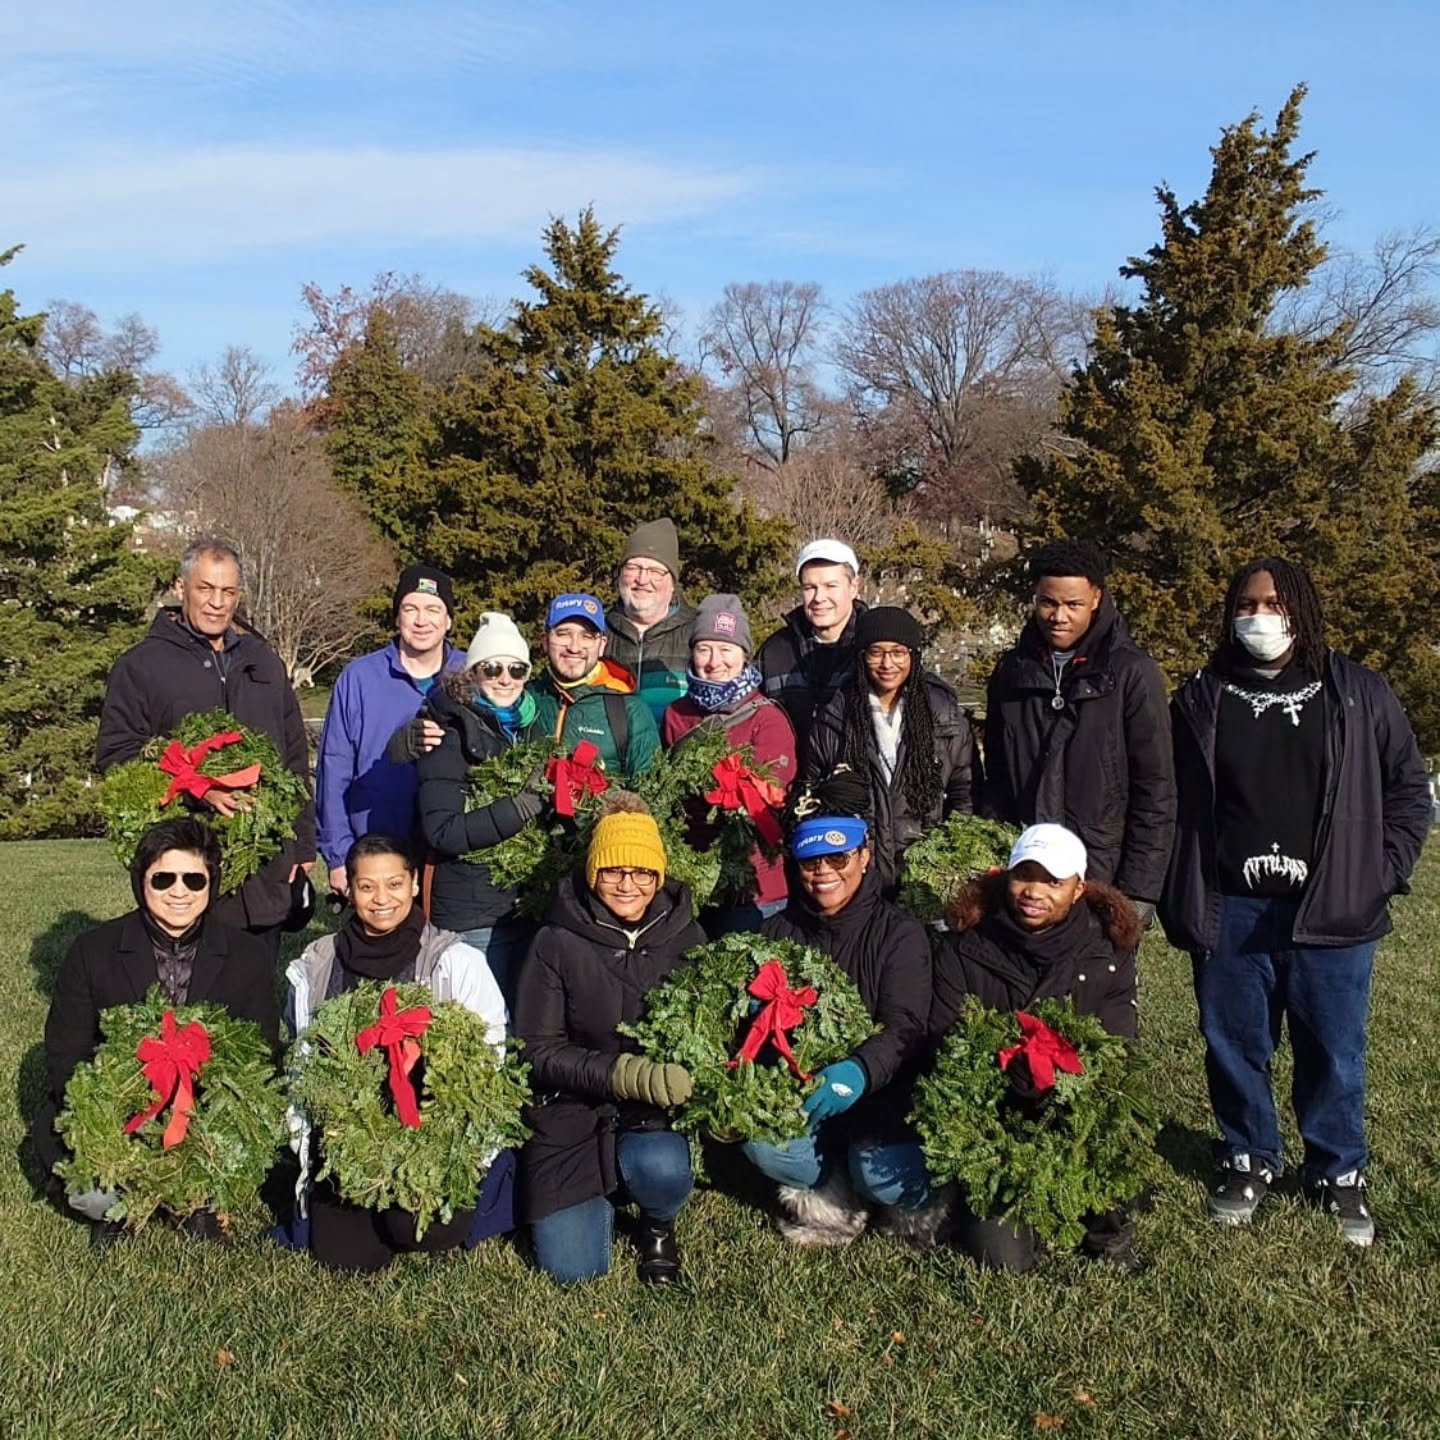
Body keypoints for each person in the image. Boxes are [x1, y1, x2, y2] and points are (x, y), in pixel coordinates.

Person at [1161, 558, 1431, 1246]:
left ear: (1302, 609)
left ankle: (1338, 1170)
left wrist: (1382, 870)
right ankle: (1248, 1155)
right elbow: (1171, 800)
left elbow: (1407, 788)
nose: (1260, 616)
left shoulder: (1357, 692)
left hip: (1331, 908)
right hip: (1232, 907)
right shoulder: (1201, 695)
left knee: (1333, 1049)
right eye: (1247, 603)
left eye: (1275, 602)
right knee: (1233, 1043)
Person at [31, 817, 281, 1246]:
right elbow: (66, 1055)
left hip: (204, 1115)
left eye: (193, 880)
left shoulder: (247, 956)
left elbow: (262, 1055)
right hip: (117, 1113)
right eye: (163, 878)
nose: (179, 892)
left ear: (212, 883)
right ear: (141, 881)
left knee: (240, 1154)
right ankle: (121, 1209)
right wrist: (120, 1110)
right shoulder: (93, 951)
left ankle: (193, 1201)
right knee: (92, 1191)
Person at [285, 833, 509, 1273]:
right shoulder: (319, 961)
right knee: (347, 1258)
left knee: (420, 1230)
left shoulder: (455, 961)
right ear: (348, 889)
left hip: (428, 1132)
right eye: (367, 887)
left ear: (412, 885)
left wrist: (465, 1148)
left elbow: (489, 1058)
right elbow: (304, 1060)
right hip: (345, 1134)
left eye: (393, 884)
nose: (381, 898)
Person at [930, 823, 1143, 1271]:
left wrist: (1063, 1077)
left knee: (1113, 1135)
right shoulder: (965, 945)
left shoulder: (1108, 951)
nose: (1034, 891)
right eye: (1024, 875)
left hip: (1071, 1108)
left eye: (1053, 881)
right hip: (993, 1120)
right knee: (1002, 1261)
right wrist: (1002, 1073)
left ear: (1079, 888)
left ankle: (1106, 1232)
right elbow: (944, 1038)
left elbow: (1119, 1045)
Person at [514, 795, 706, 1285]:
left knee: (663, 1168)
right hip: (570, 1109)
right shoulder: (555, 940)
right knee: (573, 1269)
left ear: (659, 876)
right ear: (592, 871)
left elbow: (707, 1034)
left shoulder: (687, 938)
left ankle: (658, 1223)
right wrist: (622, 1074)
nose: (627, 885)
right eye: (613, 871)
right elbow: (536, 1050)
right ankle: (602, 1187)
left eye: (642, 873)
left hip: (651, 1114)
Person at [740, 772, 934, 1246]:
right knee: (763, 1145)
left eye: (838, 857)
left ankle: (895, 1199)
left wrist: (861, 1070)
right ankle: (832, 1201)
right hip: (806, 1095)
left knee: (879, 1172)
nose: (824, 871)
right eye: (810, 860)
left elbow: (907, 1027)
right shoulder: (777, 932)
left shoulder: (900, 934)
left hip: (883, 1098)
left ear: (864, 857)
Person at [96, 538, 315, 951]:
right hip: (185, 869)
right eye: (206, 589)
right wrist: (196, 789)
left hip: (263, 864)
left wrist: (303, 845)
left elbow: (293, 755)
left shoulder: (263, 660)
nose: (217, 602)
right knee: (191, 1000)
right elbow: (117, 755)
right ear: (181, 588)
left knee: (256, 996)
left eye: (228, 591)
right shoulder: (141, 665)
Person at [982, 538, 1174, 926]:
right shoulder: (1013, 673)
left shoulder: (1131, 673)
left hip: (1102, 869)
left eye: (1073, 605)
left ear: (1097, 599)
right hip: (1029, 873)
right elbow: (998, 779)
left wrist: (1137, 890)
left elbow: (1155, 788)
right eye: (1048, 603)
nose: (1059, 616)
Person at [413, 613, 551, 1001]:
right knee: (477, 1026)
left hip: (523, 905)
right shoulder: (447, 730)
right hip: (470, 913)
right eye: (492, 668)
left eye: (516, 668)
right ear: (473, 673)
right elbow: (442, 831)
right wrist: (519, 808)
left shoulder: (533, 728)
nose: (505, 678)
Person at [802, 605, 982, 894]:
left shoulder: (943, 714)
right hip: (858, 876)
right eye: (876, 652)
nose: (887, 663)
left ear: (913, 655)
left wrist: (951, 860)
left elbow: (965, 793)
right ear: (861, 656)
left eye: (898, 652)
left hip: (926, 875)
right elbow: (810, 792)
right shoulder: (836, 716)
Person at [315, 565, 464, 900]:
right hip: (375, 848)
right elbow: (333, 769)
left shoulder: (470, 674)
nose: (421, 620)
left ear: (449, 619)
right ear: (397, 617)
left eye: (433, 610)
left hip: (449, 855)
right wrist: (339, 855)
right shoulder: (359, 678)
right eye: (410, 609)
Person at [661, 594, 797, 934]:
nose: (714, 661)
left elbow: (773, 795)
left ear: (743, 656)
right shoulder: (678, 715)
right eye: (704, 648)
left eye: (726, 650)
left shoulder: (767, 719)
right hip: (691, 876)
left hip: (754, 885)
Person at [528, 593, 660, 778]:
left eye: (587, 636)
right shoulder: (526, 699)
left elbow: (648, 793)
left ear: (601, 645)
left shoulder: (628, 709)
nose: (574, 647)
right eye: (563, 634)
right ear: (544, 641)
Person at [758, 538, 867, 752]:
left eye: (830, 586)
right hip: (788, 781)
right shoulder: (775, 651)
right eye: (810, 587)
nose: (819, 598)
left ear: (854, 587)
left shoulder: (874, 648)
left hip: (858, 782)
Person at [604, 518, 698, 728]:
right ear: (620, 575)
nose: (642, 579)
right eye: (633, 567)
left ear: (673, 583)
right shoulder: (595, 634)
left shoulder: (698, 635)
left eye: (656, 571)